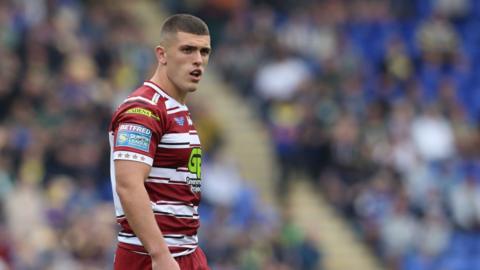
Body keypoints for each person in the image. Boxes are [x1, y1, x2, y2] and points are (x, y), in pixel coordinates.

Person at [108, 14, 211, 270]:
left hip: (186, 250)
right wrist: (160, 255)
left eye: (204, 51)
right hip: (149, 257)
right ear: (162, 54)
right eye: (187, 49)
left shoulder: (178, 109)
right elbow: (129, 185)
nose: (198, 60)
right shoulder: (144, 109)